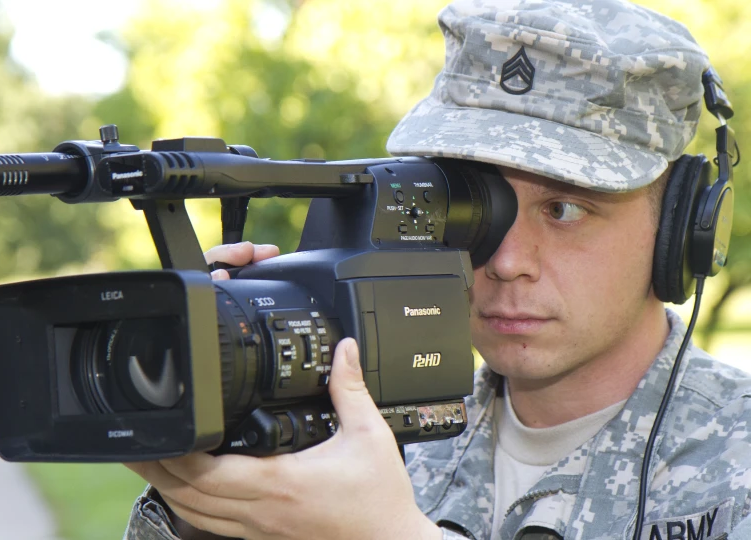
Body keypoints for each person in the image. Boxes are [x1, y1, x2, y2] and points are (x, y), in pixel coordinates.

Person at [123, 0, 751, 539]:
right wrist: (217, 485)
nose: (506, 261)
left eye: (564, 209)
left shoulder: (735, 462)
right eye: (476, 211)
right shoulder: (373, 433)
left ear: (679, 232)